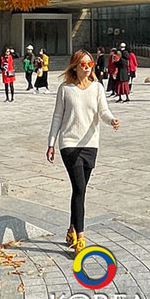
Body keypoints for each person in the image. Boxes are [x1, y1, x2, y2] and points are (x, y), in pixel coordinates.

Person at [46, 49, 119, 255]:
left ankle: (71, 228)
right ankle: (80, 238)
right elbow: (57, 117)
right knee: (79, 189)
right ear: (75, 67)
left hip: (90, 144)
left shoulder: (96, 88)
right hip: (69, 144)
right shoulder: (65, 89)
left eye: (90, 65)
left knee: (80, 191)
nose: (87, 68)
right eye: (83, 65)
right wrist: (51, 143)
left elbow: (103, 111)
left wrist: (111, 119)